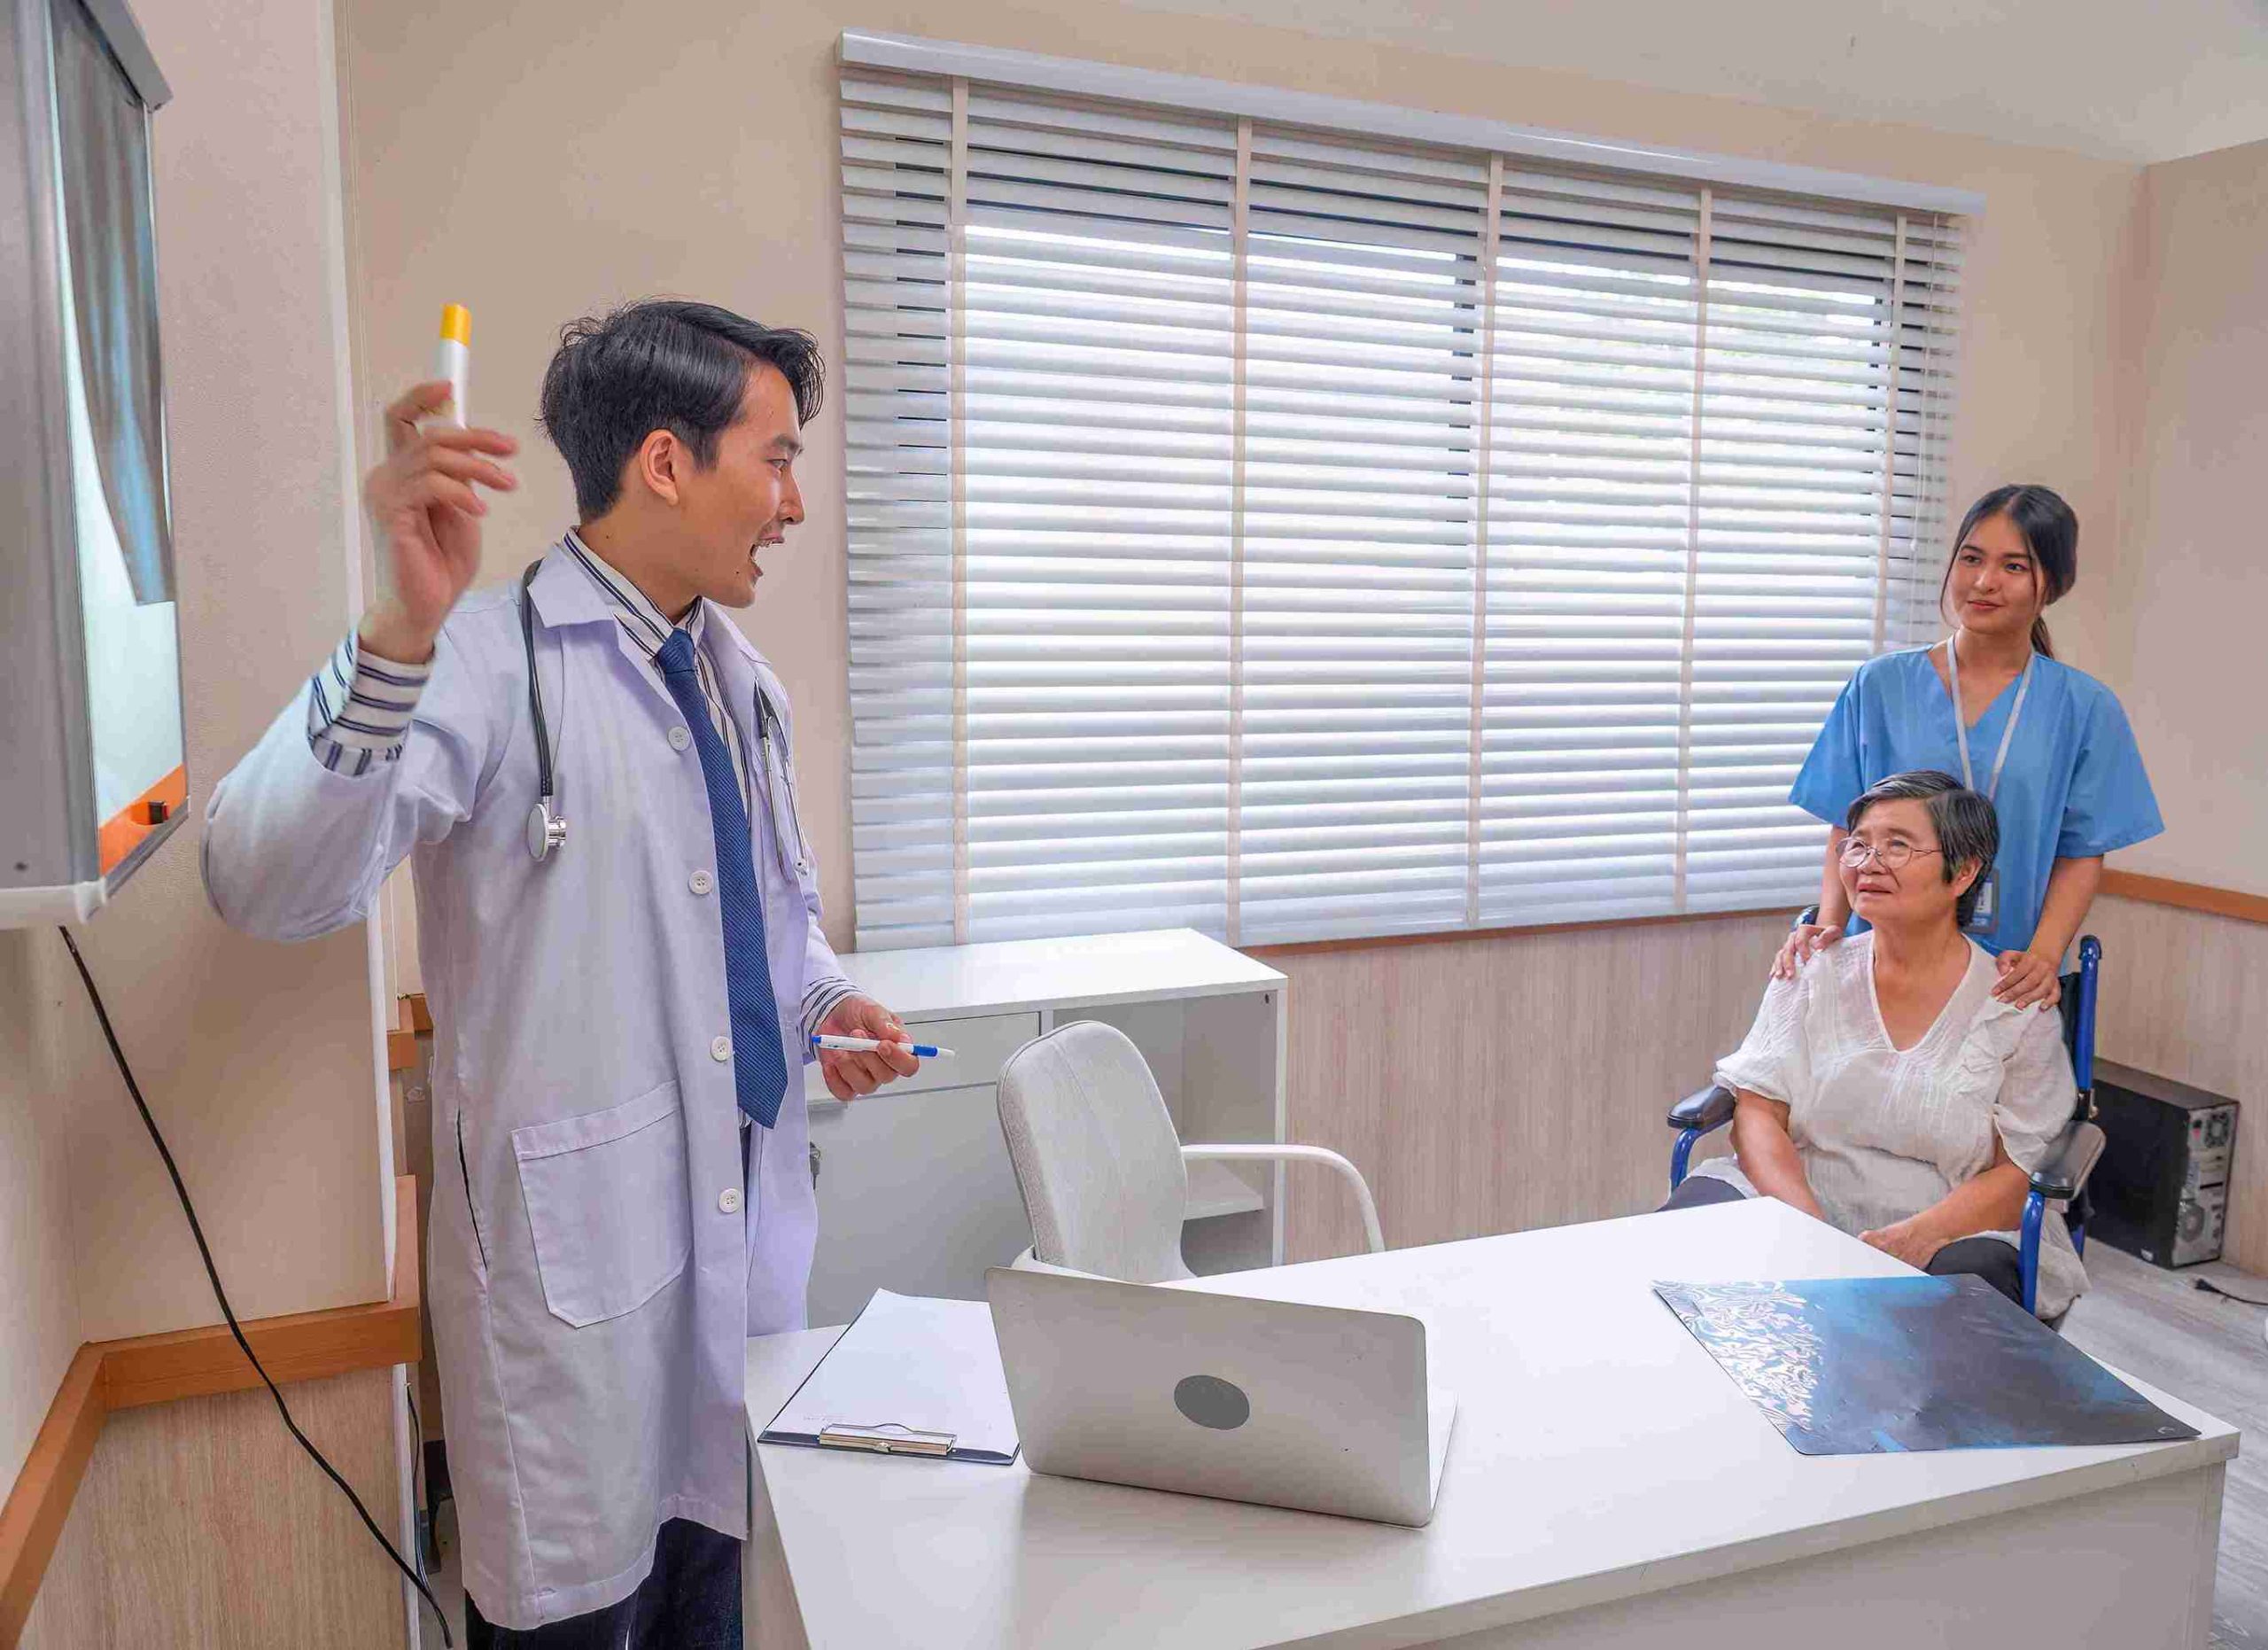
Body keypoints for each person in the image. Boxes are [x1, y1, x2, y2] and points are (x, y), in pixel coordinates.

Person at [202, 300, 920, 1645]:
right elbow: (260, 881)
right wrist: (393, 630)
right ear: (665, 461)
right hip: (569, 1321)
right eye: (775, 458)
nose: (794, 502)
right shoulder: (475, 660)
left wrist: (826, 1010)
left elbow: (771, 921)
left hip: (738, 1288)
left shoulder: (735, 676)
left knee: (720, 1603)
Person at [1663, 771, 2086, 1321]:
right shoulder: (1811, 970)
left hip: (1949, 1226)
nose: (1867, 862)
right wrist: (1804, 1228)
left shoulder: (2014, 1002)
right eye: (1858, 844)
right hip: (1801, 1198)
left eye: (1898, 846)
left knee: (1954, 1303)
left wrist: (1916, 1237)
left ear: (1963, 872)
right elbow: (1759, 1111)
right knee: (1689, 1238)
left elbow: (2017, 1172)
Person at [1775, 484, 2161, 1009]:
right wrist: (1828, 928)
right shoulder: (1880, 686)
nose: (1983, 582)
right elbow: (1846, 827)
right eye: (1971, 558)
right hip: (1879, 961)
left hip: (2007, 974)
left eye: (2014, 567)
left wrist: (2044, 956)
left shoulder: (2085, 708)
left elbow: (2082, 852)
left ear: (2054, 584)